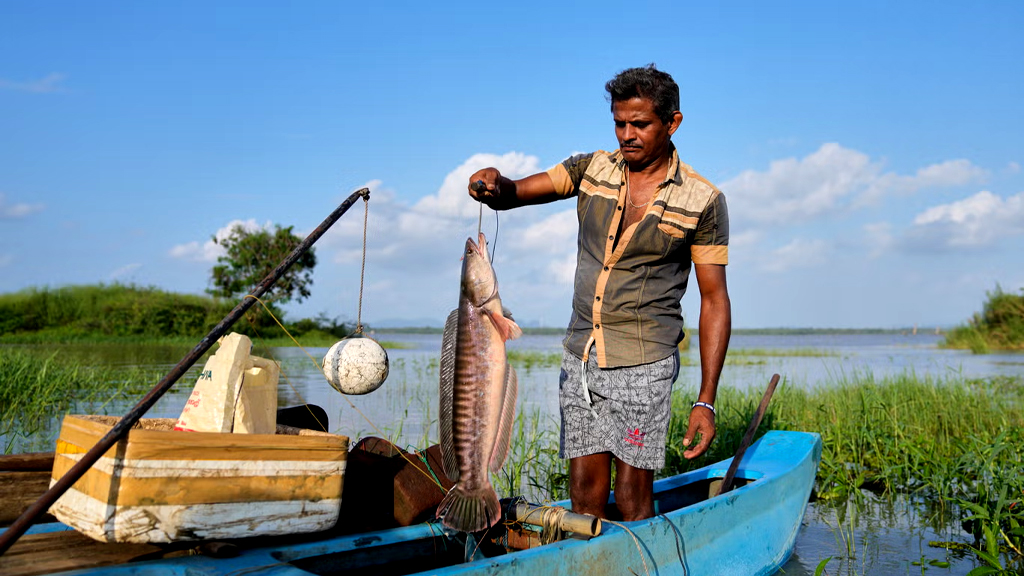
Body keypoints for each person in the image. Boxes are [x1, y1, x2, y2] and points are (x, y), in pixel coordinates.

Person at [467, 64, 731, 521]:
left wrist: (705, 400)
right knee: (584, 493)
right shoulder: (590, 170)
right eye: (619, 123)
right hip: (581, 359)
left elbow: (714, 300)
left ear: (672, 123)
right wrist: (494, 183)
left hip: (644, 363)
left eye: (641, 124)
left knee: (632, 496)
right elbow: (515, 192)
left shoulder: (703, 201)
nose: (627, 135)